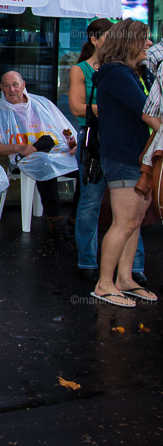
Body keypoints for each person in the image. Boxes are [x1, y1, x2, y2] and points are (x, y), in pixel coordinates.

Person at [68, 19, 146, 284]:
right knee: (92, 202)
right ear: (94, 39)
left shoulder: (131, 69)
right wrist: (114, 107)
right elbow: (78, 109)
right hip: (94, 138)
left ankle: (133, 269)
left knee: (131, 215)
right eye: (108, 35)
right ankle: (89, 263)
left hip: (118, 138)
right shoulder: (85, 70)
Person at [90, 20, 157, 307]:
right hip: (123, 156)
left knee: (135, 222)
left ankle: (125, 279)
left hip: (135, 155)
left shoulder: (130, 72)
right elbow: (147, 112)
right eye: (144, 39)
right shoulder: (117, 73)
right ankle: (104, 284)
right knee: (125, 222)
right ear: (128, 42)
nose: (149, 45)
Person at [0, 71, 78, 238]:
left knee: (85, 167)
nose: (11, 89)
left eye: (15, 85)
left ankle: (76, 216)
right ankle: (55, 217)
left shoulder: (42, 104)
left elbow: (65, 128)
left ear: (23, 85)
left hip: (55, 152)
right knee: (43, 163)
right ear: (1, 88)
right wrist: (18, 148)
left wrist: (73, 144)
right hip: (22, 160)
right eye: (7, 85)